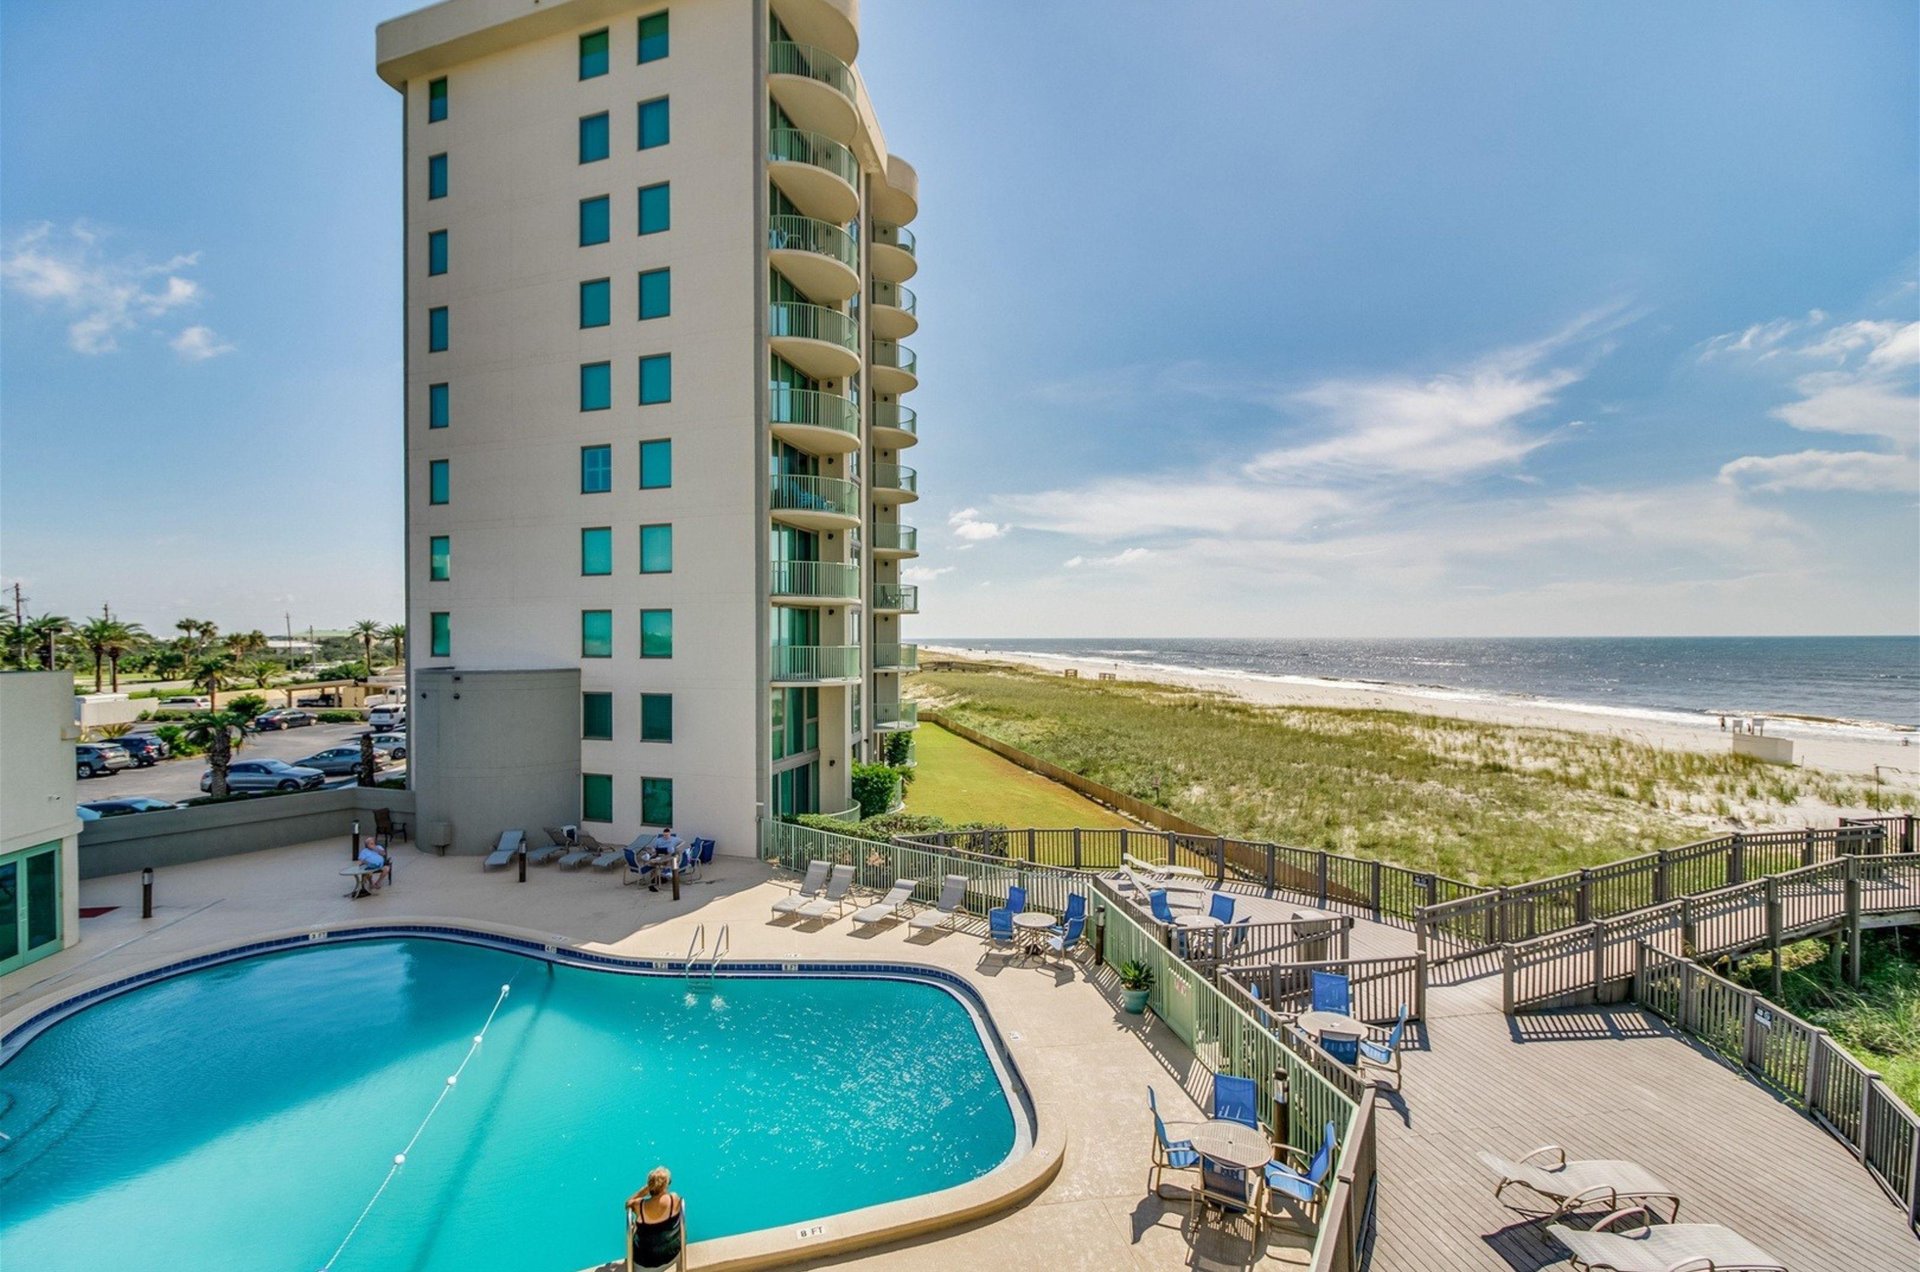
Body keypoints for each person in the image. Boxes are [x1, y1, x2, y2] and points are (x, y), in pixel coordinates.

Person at [626, 1166, 684, 1271]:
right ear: (666, 1185)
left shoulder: (639, 1205)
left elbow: (627, 1204)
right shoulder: (674, 1199)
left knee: (634, 1226)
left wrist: (645, 1190)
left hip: (644, 1262)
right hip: (672, 1255)